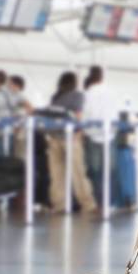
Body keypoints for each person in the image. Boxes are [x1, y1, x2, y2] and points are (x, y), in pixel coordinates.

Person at [46, 72, 97, 215]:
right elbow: (78, 114)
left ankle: (59, 204)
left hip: (53, 137)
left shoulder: (56, 97)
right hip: (70, 137)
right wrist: (80, 132)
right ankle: (87, 204)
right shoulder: (77, 95)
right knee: (78, 172)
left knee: (57, 174)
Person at [82, 65, 117, 206]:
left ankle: (99, 202)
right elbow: (116, 112)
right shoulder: (110, 91)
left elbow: (85, 114)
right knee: (110, 170)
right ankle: (111, 202)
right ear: (102, 76)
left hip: (93, 135)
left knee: (95, 170)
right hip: (109, 135)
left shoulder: (88, 93)